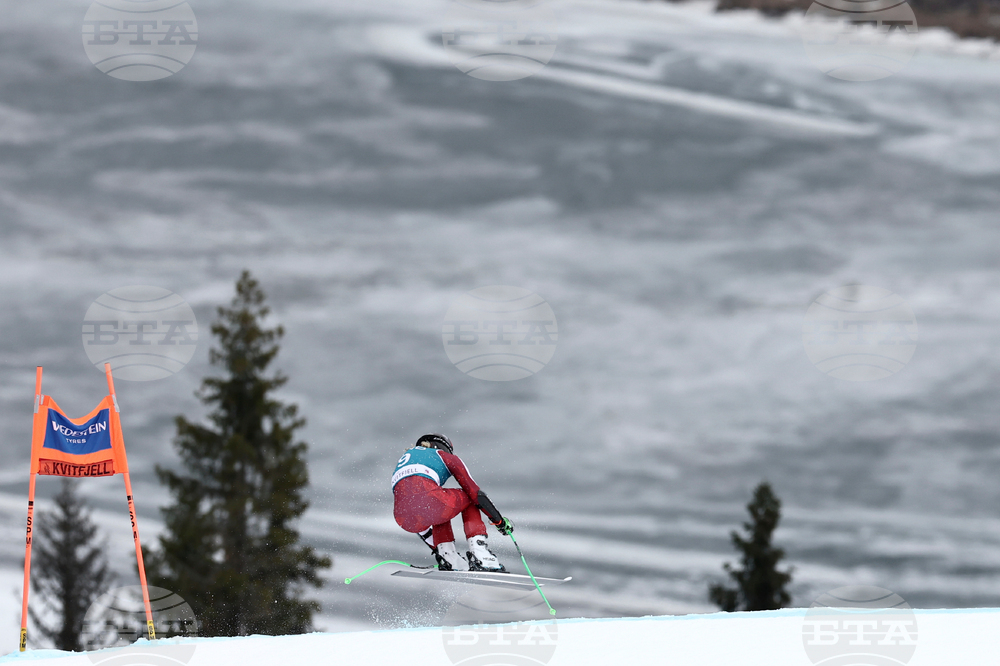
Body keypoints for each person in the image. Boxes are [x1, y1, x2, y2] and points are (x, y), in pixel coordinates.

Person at [392, 433, 514, 571]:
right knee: (466, 496)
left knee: (439, 509)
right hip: (431, 503)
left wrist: (438, 550)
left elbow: (415, 507)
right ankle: (481, 555)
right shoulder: (444, 456)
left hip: (403, 518)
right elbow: (475, 493)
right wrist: (499, 521)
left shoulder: (406, 459)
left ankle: (448, 557)